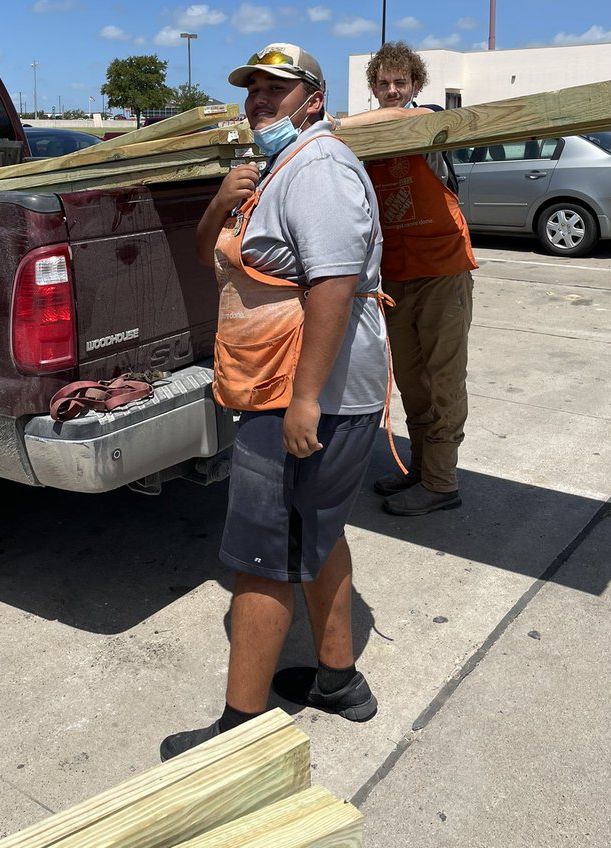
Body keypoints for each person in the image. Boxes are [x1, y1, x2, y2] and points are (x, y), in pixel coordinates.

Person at [160, 44, 388, 761]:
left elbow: (332, 283)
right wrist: (220, 203)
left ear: (313, 99)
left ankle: (240, 734)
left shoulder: (318, 169)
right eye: (253, 89)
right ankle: (339, 680)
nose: (260, 100)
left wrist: (304, 401)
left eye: (276, 89)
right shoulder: (269, 171)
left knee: (263, 558)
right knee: (316, 533)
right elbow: (212, 255)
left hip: (301, 392)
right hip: (275, 383)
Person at [340, 41, 477, 516]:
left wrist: (328, 126)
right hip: (395, 277)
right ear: (373, 88)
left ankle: (442, 483)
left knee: (443, 378)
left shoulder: (428, 118)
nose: (393, 90)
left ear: (416, 86)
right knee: (411, 381)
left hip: (443, 269)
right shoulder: (366, 143)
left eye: (401, 82)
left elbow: (403, 122)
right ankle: (420, 469)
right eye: (383, 83)